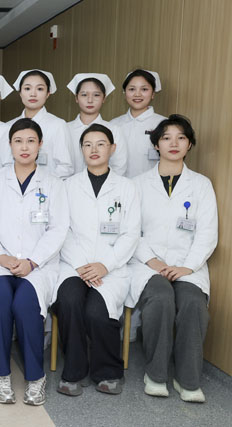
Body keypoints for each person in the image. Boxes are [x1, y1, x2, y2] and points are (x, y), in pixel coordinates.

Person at [128, 114, 217, 403]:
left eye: (181, 138)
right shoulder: (137, 184)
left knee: (193, 304)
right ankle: (155, 375)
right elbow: (131, 231)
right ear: (156, 145)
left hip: (188, 265)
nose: (173, 143)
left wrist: (187, 266)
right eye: (166, 138)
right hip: (148, 264)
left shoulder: (201, 185)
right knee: (161, 298)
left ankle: (188, 379)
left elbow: (207, 232)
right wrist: (152, 261)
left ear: (189, 144)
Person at [0, 118, 69, 406]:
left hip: (39, 264)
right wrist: (1, 255)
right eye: (18, 141)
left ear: (40, 145)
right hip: (0, 261)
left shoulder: (54, 184)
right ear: (9, 145)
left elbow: (59, 228)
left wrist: (32, 261)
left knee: (24, 304)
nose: (24, 147)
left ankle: (35, 377)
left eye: (31, 141)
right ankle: (1, 374)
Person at [52, 124, 140, 397]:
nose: (94, 149)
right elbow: (61, 229)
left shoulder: (127, 188)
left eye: (101, 144)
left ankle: (108, 371)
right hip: (73, 264)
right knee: (69, 301)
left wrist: (105, 265)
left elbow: (131, 234)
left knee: (96, 312)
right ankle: (74, 371)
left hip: (111, 267)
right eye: (88, 144)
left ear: (112, 148)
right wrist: (81, 264)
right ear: (81, 149)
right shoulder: (67, 186)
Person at [0, 69, 73, 178]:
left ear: (48, 93)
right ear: (20, 93)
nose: (33, 94)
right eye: (27, 88)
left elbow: (65, 167)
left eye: (39, 89)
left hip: (48, 186)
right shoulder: (9, 126)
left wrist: (41, 182)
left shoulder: (58, 125)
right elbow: (6, 164)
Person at [65, 73, 127, 175]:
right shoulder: (65, 129)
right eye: (84, 95)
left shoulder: (114, 130)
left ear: (104, 98)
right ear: (76, 98)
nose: (90, 100)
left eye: (96, 95)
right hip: (68, 184)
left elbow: (119, 167)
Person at [111, 69, 167, 178]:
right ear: (125, 93)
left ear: (153, 94)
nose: (137, 94)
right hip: (119, 185)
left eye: (144, 89)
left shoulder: (164, 124)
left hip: (152, 184)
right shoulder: (113, 125)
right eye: (132, 89)